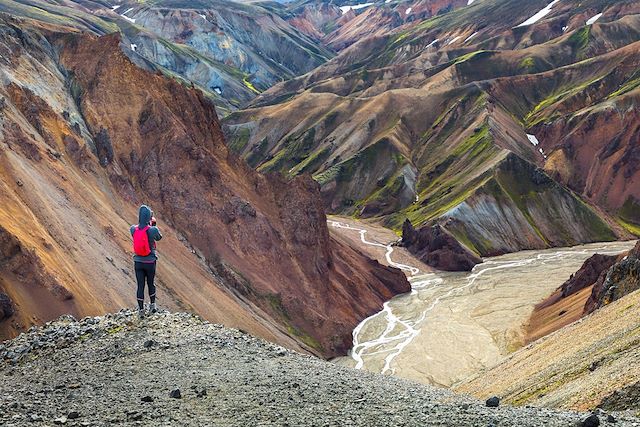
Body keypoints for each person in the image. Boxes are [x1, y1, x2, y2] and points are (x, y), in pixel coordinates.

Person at [130, 205, 162, 319]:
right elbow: (158, 237)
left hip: (138, 262)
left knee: (140, 286)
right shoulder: (153, 229)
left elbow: (136, 234)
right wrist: (153, 226)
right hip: (150, 261)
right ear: (149, 217)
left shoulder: (133, 229)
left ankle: (141, 311)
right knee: (150, 283)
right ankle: (153, 306)